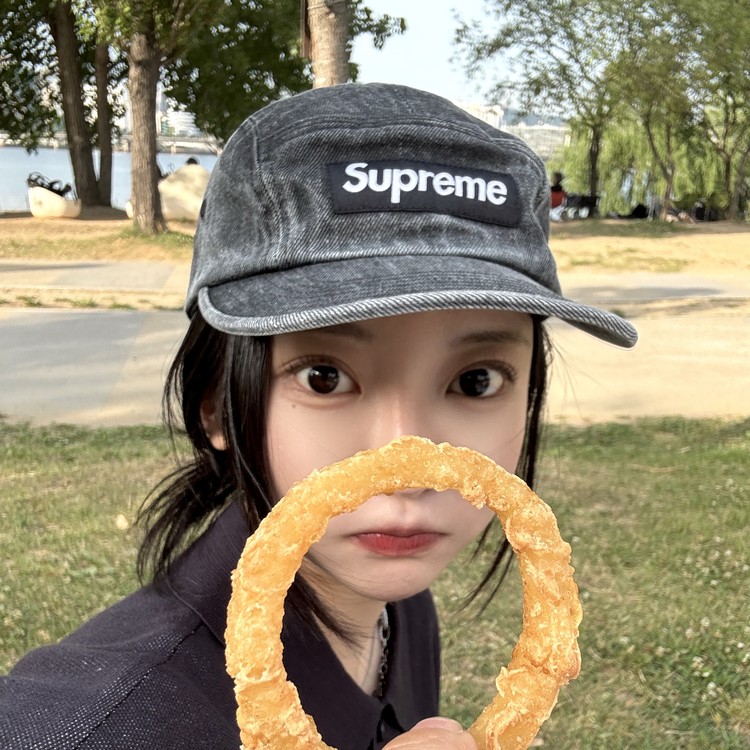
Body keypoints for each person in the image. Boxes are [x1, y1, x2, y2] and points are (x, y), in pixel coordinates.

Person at [0, 84, 637, 749]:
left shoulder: (401, 609)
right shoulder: (99, 725)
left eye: (476, 381)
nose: (405, 467)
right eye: (324, 377)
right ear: (216, 404)